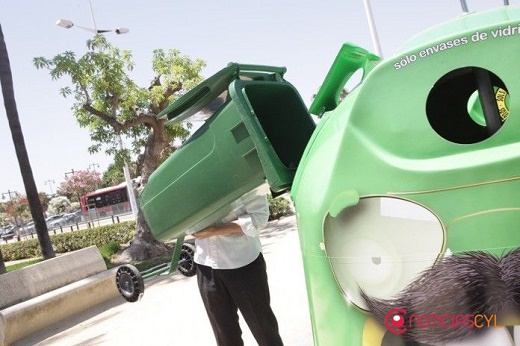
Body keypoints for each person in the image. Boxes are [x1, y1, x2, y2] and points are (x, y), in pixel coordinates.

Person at [192, 186, 284, 346]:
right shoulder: (186, 181)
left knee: (264, 331)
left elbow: (259, 218)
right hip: (205, 264)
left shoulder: (240, 174)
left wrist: (215, 230)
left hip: (243, 263)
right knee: (225, 337)